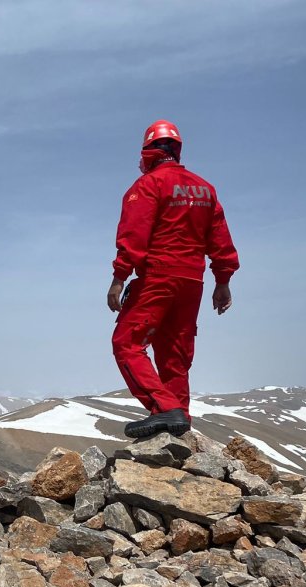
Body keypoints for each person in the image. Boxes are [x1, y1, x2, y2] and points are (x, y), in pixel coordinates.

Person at [108, 120, 240, 438]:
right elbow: (220, 239)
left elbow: (133, 235)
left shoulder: (147, 187)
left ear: (149, 151)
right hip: (192, 283)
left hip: (158, 277)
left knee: (126, 343)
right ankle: (178, 428)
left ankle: (165, 408)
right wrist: (223, 281)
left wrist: (119, 277)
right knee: (174, 356)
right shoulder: (205, 189)